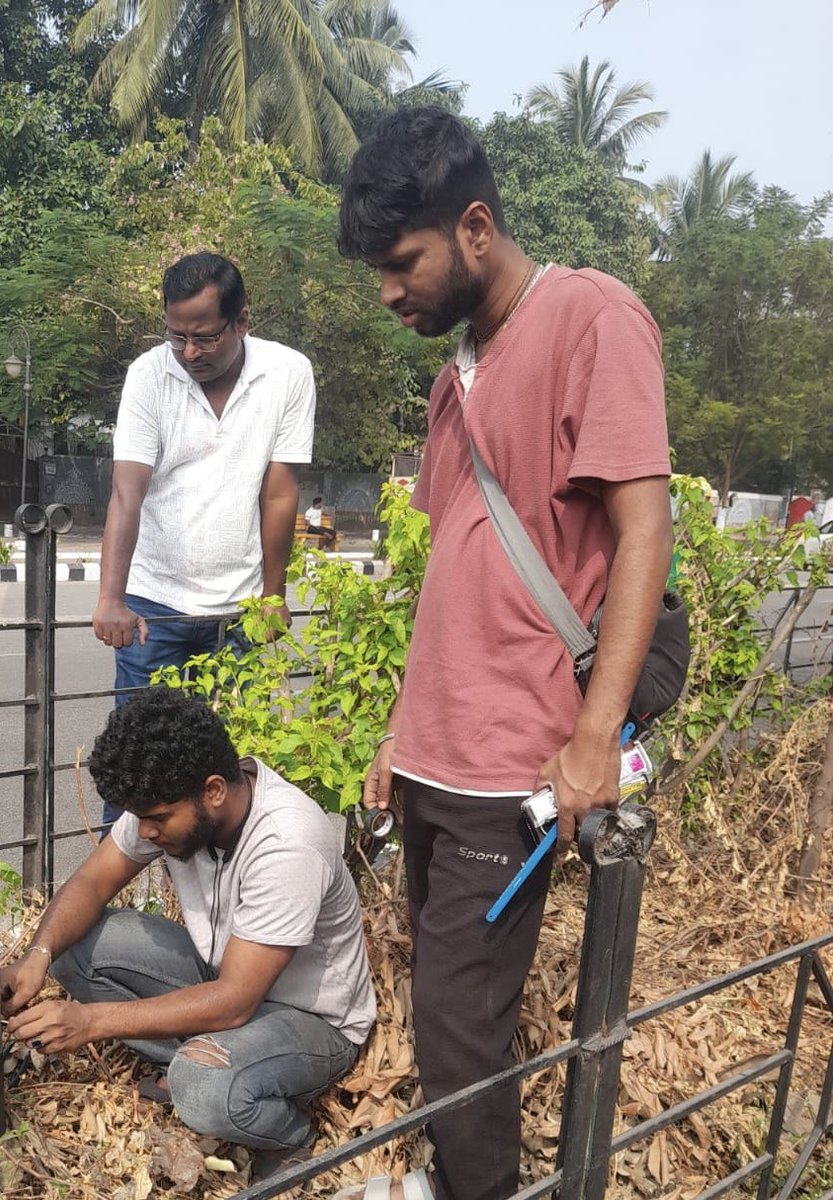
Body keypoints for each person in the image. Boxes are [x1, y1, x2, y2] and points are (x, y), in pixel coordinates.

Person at [335, 108, 673, 1200]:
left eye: (402, 262)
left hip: (512, 769)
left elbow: (641, 531)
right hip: (436, 756)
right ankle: (459, 1175)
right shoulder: (456, 377)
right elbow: (453, 574)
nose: (389, 291)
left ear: (474, 226)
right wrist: (399, 733)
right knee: (449, 1005)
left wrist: (588, 737)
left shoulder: (591, 318)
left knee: (458, 1026)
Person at [0, 688, 375, 1177]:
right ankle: (207, 1058)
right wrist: (38, 954)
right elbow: (92, 882)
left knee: (202, 1088)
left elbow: (236, 1001)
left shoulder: (287, 843)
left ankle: (291, 1136)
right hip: (221, 976)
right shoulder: (174, 798)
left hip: (311, 1020)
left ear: (213, 790)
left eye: (156, 819)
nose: (146, 831)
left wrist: (90, 1021)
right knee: (74, 946)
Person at [92, 253, 316, 820]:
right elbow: (127, 492)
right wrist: (110, 598)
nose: (189, 353)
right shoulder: (150, 375)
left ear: (242, 321)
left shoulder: (288, 374)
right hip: (153, 608)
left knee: (230, 764)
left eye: (205, 337)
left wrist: (272, 596)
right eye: (177, 337)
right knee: (139, 763)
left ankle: (220, 894)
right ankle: (127, 900)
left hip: (238, 613)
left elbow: (280, 493)